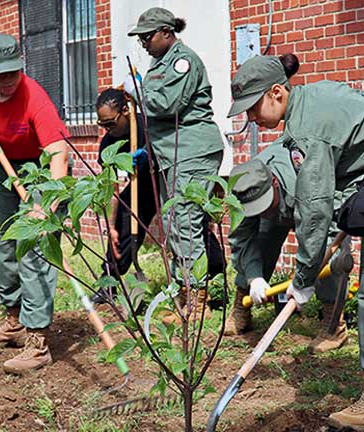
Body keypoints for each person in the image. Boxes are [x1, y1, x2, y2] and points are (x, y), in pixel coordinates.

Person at [229, 54, 364, 431]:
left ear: (276, 92)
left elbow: (313, 214)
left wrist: (301, 282)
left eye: (252, 108)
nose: (250, 118)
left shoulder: (306, 131)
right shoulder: (315, 99)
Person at [0, 33, 69, 374]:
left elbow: (59, 153)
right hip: (6, 173)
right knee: (2, 245)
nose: (7, 81)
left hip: (41, 173)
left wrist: (48, 203)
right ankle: (14, 322)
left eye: (13, 72)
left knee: (34, 252)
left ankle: (38, 341)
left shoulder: (35, 99)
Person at [127, 7, 225, 320]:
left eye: (147, 36)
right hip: (174, 154)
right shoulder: (161, 63)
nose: (143, 42)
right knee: (176, 222)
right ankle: (187, 295)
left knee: (185, 222)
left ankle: (196, 303)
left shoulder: (183, 61)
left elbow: (167, 104)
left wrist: (138, 92)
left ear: (167, 33)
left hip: (192, 151)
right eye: (140, 37)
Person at [92, 88, 224, 304]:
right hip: (143, 184)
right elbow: (111, 188)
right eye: (102, 124)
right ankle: (110, 281)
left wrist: (149, 153)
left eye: (110, 123)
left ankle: (213, 275)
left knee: (188, 221)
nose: (107, 129)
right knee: (125, 215)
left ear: (125, 111)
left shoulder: (148, 125)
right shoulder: (108, 144)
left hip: (168, 177)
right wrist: (112, 227)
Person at [224, 140, 348, 353]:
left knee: (327, 254)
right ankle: (240, 308)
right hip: (280, 199)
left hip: (310, 202)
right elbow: (241, 239)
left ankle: (333, 324)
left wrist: (304, 279)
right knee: (261, 239)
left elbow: (327, 232)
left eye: (263, 205)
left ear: (273, 183)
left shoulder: (308, 177)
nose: (261, 211)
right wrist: (254, 278)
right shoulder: (245, 187)